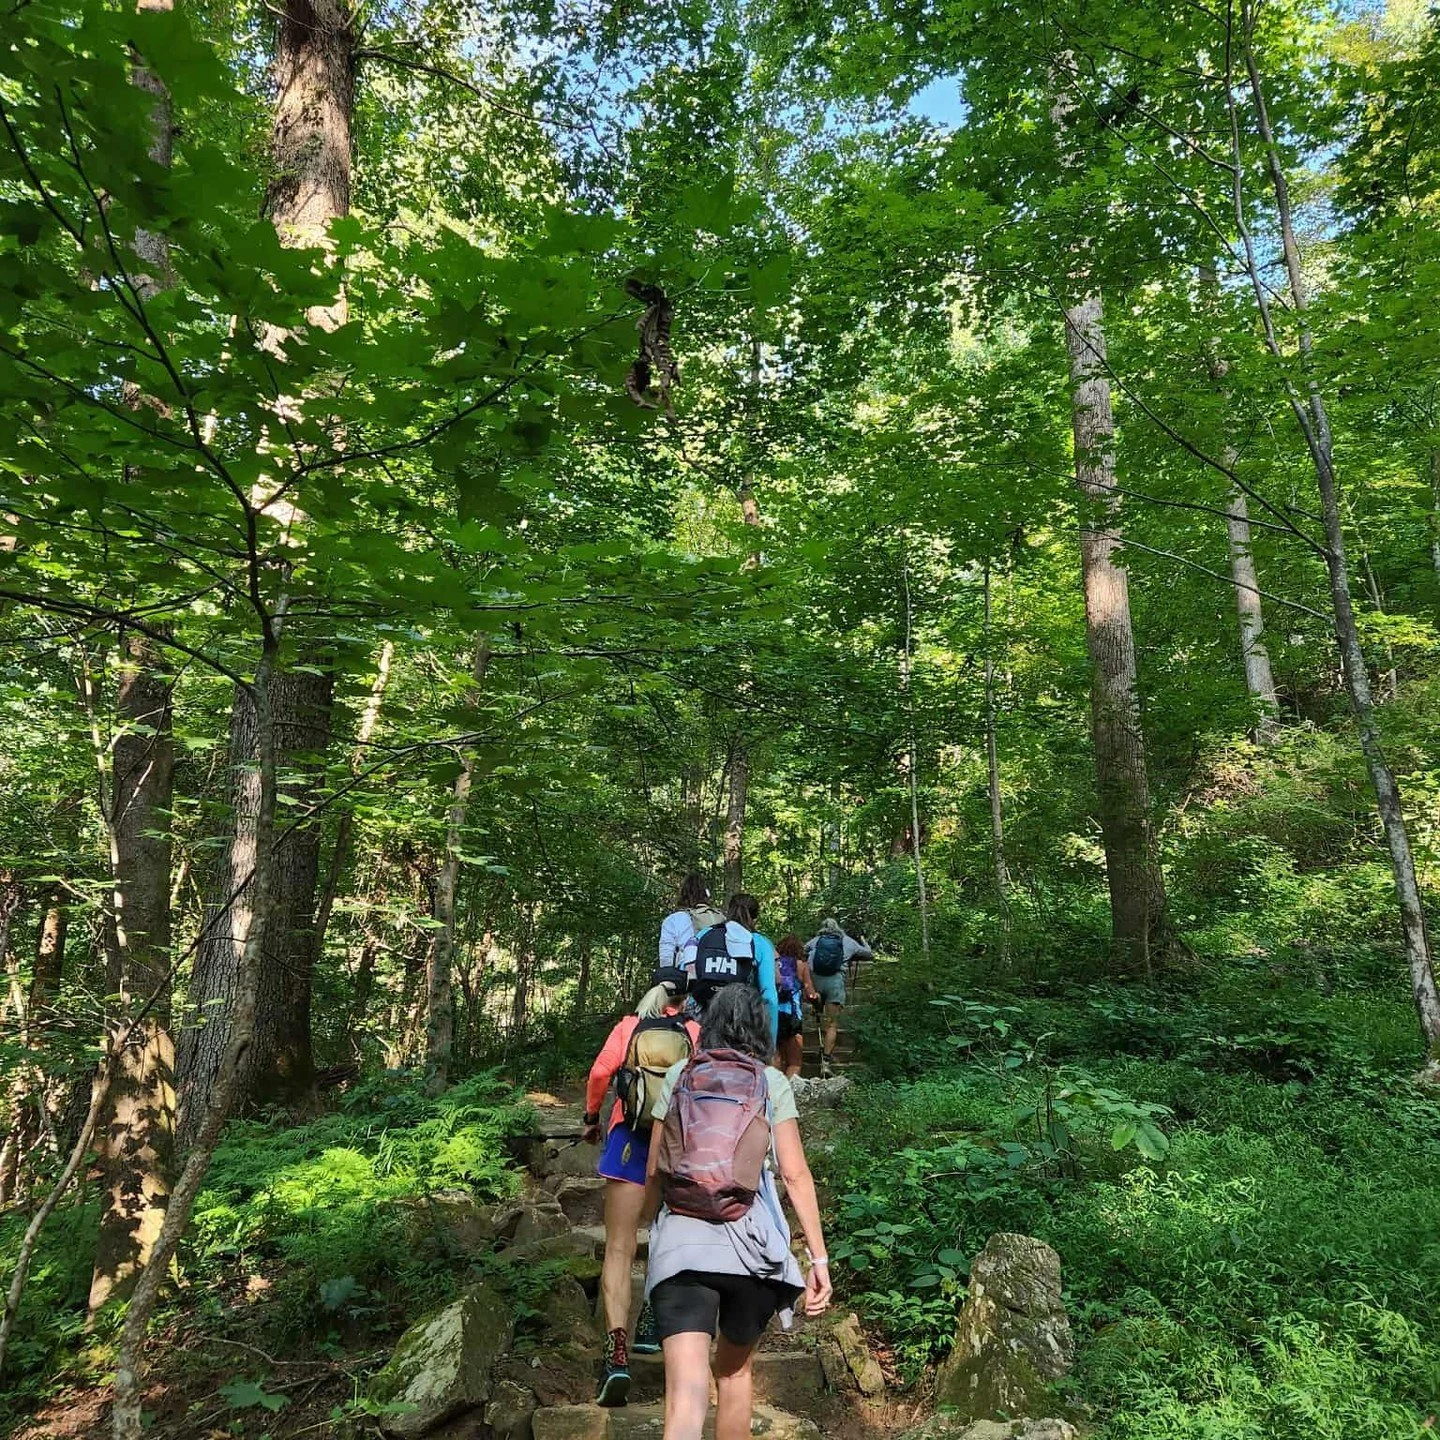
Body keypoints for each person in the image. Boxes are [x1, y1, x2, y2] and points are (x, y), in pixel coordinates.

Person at [643, 985, 833, 1440]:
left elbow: (655, 1169)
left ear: (708, 1025)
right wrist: (818, 1259)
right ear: (760, 1030)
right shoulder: (771, 1082)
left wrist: (647, 1231)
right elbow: (795, 1175)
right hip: (751, 1252)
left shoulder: (680, 1075)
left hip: (682, 1249)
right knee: (733, 1375)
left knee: (686, 1402)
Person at [583, 967, 702, 1406]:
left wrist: (592, 1118)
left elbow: (599, 1074)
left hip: (629, 1141)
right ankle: (652, 1321)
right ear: (685, 999)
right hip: (675, 1148)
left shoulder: (629, 1027)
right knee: (664, 1235)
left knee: (618, 1246)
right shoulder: (694, 1031)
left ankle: (616, 1354)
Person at [680, 892, 779, 1051]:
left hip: (702, 1020)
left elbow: (685, 972)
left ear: (729, 911)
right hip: (742, 1027)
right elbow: (769, 996)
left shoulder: (705, 934)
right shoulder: (759, 942)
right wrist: (770, 1044)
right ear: (755, 919)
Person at [805, 918, 872, 1078]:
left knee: (817, 1000)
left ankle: (817, 1002)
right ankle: (826, 1063)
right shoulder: (847, 941)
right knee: (832, 1024)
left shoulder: (817, 940)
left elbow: (802, 950)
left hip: (816, 980)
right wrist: (863, 939)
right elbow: (869, 954)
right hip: (835, 983)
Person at [659, 873, 725, 969]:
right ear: (706, 893)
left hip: (688, 972)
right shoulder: (720, 917)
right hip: (720, 970)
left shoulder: (674, 919)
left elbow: (666, 957)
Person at [773, 933, 815, 1079]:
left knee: (776, 1057)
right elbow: (810, 994)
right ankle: (789, 1096)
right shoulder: (802, 965)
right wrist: (817, 1000)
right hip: (791, 1016)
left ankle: (773, 1093)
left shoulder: (773, 963)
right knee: (795, 1062)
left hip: (771, 1013)